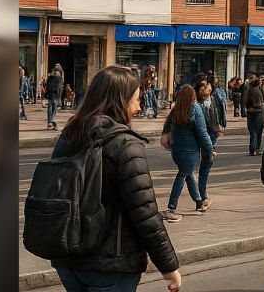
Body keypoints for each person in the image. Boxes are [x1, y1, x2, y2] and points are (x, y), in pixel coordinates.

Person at [37, 65, 182, 292]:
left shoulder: (70, 134)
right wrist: (169, 266)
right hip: (112, 264)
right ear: (119, 101)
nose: (138, 107)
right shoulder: (126, 145)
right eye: (135, 100)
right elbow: (145, 213)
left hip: (68, 258)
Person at [161, 84, 214, 221]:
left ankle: (199, 202)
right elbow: (202, 133)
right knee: (183, 174)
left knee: (188, 173)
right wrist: (210, 149)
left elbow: (167, 127)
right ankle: (171, 207)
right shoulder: (195, 109)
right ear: (192, 97)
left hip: (176, 150)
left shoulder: (176, 110)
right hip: (190, 151)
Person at [195, 77, 223, 210]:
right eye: (205, 87)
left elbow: (219, 114)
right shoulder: (197, 106)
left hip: (211, 137)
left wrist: (220, 127)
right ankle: (201, 197)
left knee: (205, 167)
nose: (208, 88)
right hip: (204, 139)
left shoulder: (214, 100)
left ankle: (201, 196)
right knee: (200, 169)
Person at [245, 74, 264, 156]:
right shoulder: (261, 89)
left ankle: (252, 148)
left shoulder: (249, 90)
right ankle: (257, 148)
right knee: (259, 130)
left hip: (250, 111)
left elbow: (246, 101)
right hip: (260, 111)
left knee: (252, 130)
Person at [45, 63, 65, 129]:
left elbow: (47, 84)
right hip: (55, 93)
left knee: (51, 108)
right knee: (52, 108)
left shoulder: (52, 75)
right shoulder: (58, 76)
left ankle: (50, 122)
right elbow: (61, 84)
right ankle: (51, 121)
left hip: (52, 93)